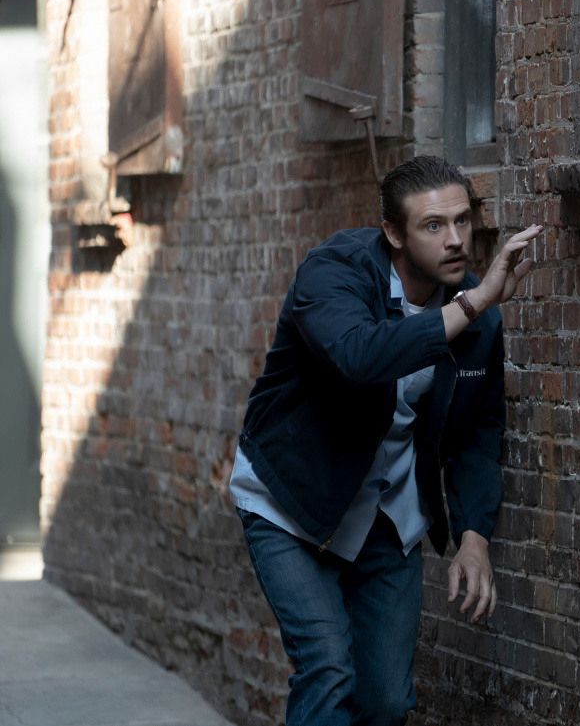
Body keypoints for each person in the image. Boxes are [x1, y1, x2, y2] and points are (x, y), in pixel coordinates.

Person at [229, 155, 543, 726]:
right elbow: (360, 356)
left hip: (386, 516)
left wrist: (474, 537)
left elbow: (477, 433)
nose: (455, 240)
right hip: (292, 503)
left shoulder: (477, 317)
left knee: (387, 702)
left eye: (462, 221)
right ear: (394, 234)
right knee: (327, 668)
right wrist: (473, 304)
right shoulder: (333, 272)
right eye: (433, 226)